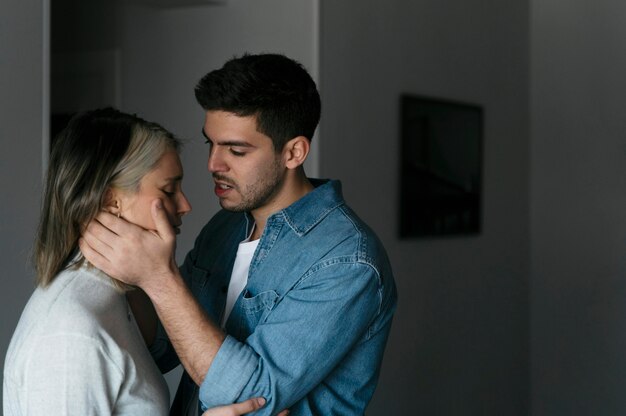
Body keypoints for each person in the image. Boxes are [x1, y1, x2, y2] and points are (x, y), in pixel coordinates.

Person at [80, 53, 398, 415]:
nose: (214, 164)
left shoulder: (347, 261)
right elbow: (164, 345)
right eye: (210, 144)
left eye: (236, 150)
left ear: (294, 152)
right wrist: (122, 260)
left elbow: (249, 397)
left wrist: (158, 278)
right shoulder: (225, 227)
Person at [3, 108, 274, 416]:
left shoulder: (112, 298)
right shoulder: (70, 332)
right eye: (169, 190)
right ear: (111, 202)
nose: (185, 205)